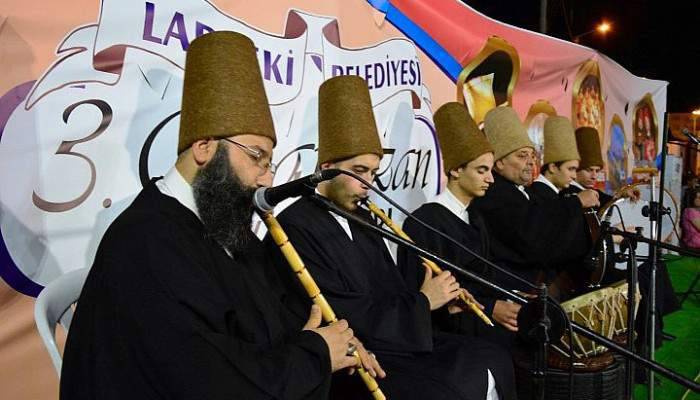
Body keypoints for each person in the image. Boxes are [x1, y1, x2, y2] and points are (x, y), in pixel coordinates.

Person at [60, 31, 382, 400]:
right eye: (256, 156)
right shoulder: (145, 241)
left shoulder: (223, 225)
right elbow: (207, 381)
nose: (268, 177)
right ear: (203, 147)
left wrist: (328, 339)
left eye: (270, 161)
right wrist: (315, 354)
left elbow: (270, 318)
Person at [266, 76, 516, 400]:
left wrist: (439, 305)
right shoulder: (294, 225)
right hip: (361, 357)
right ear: (326, 167)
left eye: (372, 172)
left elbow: (391, 289)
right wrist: (423, 302)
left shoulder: (363, 217)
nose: (367, 183)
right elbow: (342, 310)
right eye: (359, 171)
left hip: (396, 340)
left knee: (491, 357)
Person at [396, 102, 518, 348]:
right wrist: (491, 308)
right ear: (455, 170)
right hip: (446, 335)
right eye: (481, 170)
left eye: (491, 170)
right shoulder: (424, 223)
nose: (490, 179)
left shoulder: (474, 217)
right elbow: (428, 297)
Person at [469, 107, 599, 291]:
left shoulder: (520, 191)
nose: (531, 162)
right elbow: (535, 238)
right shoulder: (494, 196)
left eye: (532, 155)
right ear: (499, 162)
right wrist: (576, 203)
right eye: (522, 155)